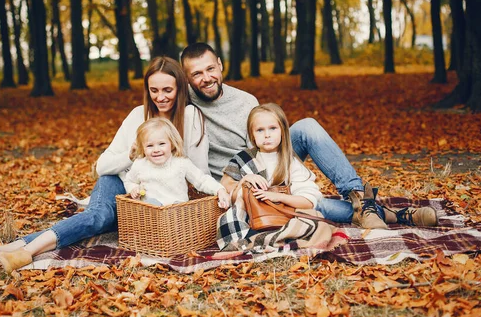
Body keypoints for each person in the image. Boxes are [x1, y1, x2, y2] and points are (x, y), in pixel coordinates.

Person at [0, 56, 210, 274]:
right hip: (119, 182)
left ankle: (0, 250)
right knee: (97, 217)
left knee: (92, 225)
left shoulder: (191, 118)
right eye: (154, 90)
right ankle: (25, 254)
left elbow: (197, 173)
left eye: (168, 90)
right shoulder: (137, 115)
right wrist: (131, 155)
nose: (160, 97)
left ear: (180, 88)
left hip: (146, 204)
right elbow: (103, 166)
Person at [180, 42, 435, 229]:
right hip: (234, 184)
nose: (206, 78)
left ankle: (358, 197)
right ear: (187, 79)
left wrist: (280, 186)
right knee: (312, 203)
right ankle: (392, 214)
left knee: (307, 127)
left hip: (263, 162)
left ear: (220, 65)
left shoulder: (246, 101)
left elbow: (260, 150)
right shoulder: (182, 105)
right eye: (197, 74)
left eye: (210, 69)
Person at [220, 103, 438, 229]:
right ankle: (385, 213)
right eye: (260, 131)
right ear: (252, 135)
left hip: (293, 205)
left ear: (282, 132)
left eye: (272, 129)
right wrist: (245, 180)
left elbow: (309, 199)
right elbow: (226, 183)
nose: (266, 135)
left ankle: (383, 210)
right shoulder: (244, 158)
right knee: (320, 208)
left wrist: (280, 197)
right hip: (265, 213)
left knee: (321, 207)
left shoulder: (288, 161)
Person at [123, 118, 230, 207]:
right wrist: (133, 188)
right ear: (143, 148)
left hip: (178, 212)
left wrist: (219, 189)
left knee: (181, 208)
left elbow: (201, 180)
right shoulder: (140, 164)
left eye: (161, 144)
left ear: (172, 144)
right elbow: (129, 181)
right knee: (150, 205)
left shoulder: (181, 163)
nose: (156, 149)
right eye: (150, 146)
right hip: (151, 214)